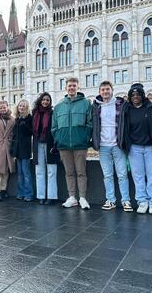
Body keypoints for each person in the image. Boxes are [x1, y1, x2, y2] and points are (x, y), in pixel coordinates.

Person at [52, 77, 92, 210]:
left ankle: (83, 198)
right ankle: (72, 197)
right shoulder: (58, 107)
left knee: (81, 172)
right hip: (64, 145)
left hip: (80, 144)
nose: (71, 88)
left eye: (74, 86)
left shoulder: (86, 103)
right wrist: (59, 138)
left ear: (78, 87)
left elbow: (90, 123)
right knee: (69, 172)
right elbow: (54, 127)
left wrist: (85, 137)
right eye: (69, 86)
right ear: (66, 88)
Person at [92, 81, 133, 212]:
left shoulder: (121, 105)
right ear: (100, 92)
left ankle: (126, 201)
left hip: (117, 145)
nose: (105, 92)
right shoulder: (96, 106)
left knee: (122, 175)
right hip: (103, 146)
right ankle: (111, 200)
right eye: (103, 89)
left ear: (112, 90)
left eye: (107, 89)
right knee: (108, 175)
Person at [123, 83, 152, 214]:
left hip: (151, 148)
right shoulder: (126, 110)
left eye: (138, 94)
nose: (135, 96)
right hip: (134, 148)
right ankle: (142, 201)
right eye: (133, 95)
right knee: (138, 176)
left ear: (142, 95)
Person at [32, 92, 60, 205]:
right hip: (38, 144)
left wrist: (56, 144)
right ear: (40, 100)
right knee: (39, 171)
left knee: (52, 171)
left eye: (47, 100)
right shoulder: (35, 113)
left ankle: (51, 196)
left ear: (50, 102)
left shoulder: (53, 113)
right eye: (43, 99)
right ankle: (41, 196)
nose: (45, 101)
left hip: (50, 144)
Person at [11, 100, 33, 202]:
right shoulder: (17, 119)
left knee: (26, 173)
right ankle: (20, 193)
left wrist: (25, 126)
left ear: (27, 107)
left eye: (24, 106)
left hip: (25, 148)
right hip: (18, 149)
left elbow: (31, 132)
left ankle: (28, 194)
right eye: (20, 105)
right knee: (20, 173)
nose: (22, 107)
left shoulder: (29, 118)